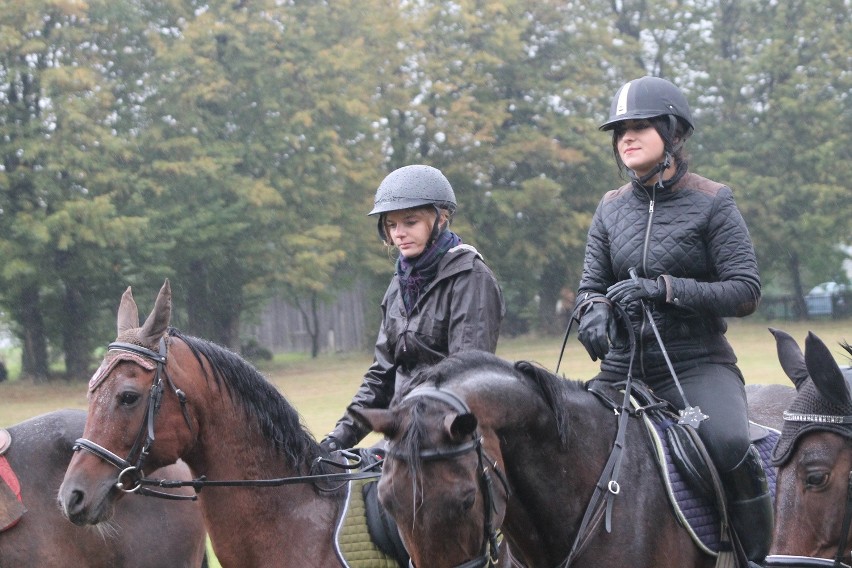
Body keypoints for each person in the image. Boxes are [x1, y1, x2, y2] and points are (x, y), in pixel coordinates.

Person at [573, 76, 771, 566]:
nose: (626, 139)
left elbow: (745, 291)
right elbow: (589, 286)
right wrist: (593, 313)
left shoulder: (713, 201)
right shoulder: (610, 207)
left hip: (696, 366)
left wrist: (665, 288)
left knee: (730, 445)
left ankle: (757, 558)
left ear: (673, 134)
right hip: (621, 371)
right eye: (619, 132)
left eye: (639, 127)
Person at [321, 164, 505, 452]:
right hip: (404, 429)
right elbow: (381, 376)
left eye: (410, 222)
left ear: (441, 219)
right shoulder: (398, 284)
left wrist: (408, 429)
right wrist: (336, 440)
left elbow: (465, 378)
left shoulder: (471, 278)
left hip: (451, 436)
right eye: (392, 225)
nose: (399, 234)